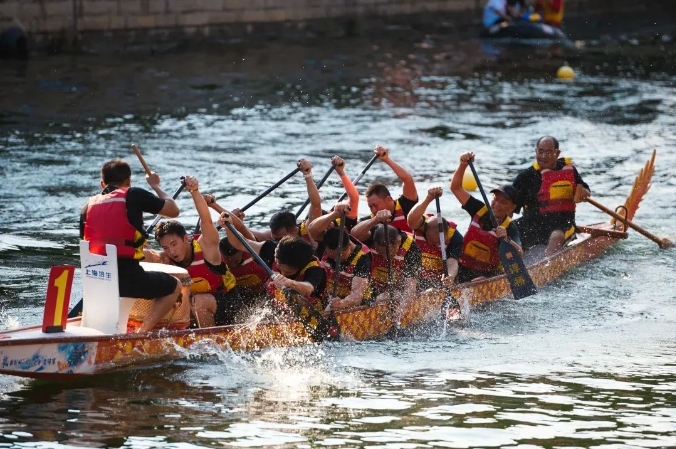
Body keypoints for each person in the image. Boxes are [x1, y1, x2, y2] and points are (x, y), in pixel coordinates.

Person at [80, 158, 182, 333]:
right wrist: (155, 186)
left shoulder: (87, 207)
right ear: (128, 181)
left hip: (95, 280)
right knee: (175, 286)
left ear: (102, 184)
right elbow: (173, 210)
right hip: (128, 279)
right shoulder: (133, 194)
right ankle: (141, 334)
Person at [155, 175, 243, 328]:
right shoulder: (165, 259)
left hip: (230, 305)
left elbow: (206, 220)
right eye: (166, 247)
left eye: (174, 244)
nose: (171, 251)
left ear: (185, 239)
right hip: (198, 308)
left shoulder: (206, 246)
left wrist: (194, 191)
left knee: (198, 301)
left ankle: (210, 342)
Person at [219, 214, 328, 313]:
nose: (283, 274)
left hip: (313, 307)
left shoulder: (313, 267)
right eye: (280, 268)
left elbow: (309, 288)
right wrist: (228, 227)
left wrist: (289, 282)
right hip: (280, 305)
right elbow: (240, 244)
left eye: (288, 272)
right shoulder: (272, 248)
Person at [450, 152, 523, 283]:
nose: (497, 204)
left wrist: (507, 239)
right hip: (462, 267)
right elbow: (455, 188)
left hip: (488, 274)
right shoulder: (478, 209)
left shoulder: (510, 227)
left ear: (512, 208)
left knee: (478, 280)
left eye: (503, 202)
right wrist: (463, 165)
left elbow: (519, 254)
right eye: (495, 199)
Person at [512, 136, 590, 256]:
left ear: (557, 153)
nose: (544, 156)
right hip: (533, 225)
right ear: (536, 152)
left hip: (563, 225)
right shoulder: (525, 177)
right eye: (540, 151)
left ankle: (546, 265)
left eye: (549, 152)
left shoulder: (569, 170)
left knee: (556, 236)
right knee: (509, 230)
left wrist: (583, 193)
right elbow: (509, 207)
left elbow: (586, 192)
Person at [308, 202, 372, 313]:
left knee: (328, 309)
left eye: (339, 256)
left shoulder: (362, 258)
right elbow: (312, 229)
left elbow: (356, 297)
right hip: (329, 296)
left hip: (353, 304)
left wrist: (342, 303)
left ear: (349, 246)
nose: (335, 260)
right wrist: (335, 214)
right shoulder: (327, 241)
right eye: (331, 256)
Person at [351, 145, 419, 242]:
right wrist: (375, 220)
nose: (373, 210)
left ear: (388, 199)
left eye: (375, 205)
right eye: (370, 207)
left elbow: (407, 180)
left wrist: (387, 160)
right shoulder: (370, 221)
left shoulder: (406, 205)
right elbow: (355, 235)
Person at [406, 186, 464, 290]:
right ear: (425, 232)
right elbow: (411, 219)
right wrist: (428, 198)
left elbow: (452, 261)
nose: (436, 245)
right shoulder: (421, 225)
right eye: (431, 241)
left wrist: (450, 276)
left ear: (446, 233)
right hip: (416, 278)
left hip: (441, 279)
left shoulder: (455, 237)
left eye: (439, 242)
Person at [369, 224, 421, 315]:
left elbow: (410, 290)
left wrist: (399, 312)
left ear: (398, 242)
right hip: (375, 286)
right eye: (380, 253)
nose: (385, 258)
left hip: (399, 290)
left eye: (388, 253)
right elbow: (355, 233)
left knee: (389, 296)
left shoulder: (412, 250)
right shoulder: (371, 235)